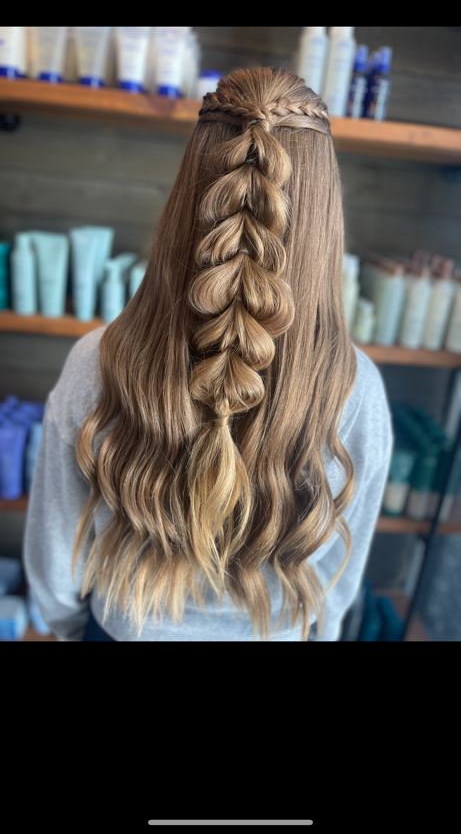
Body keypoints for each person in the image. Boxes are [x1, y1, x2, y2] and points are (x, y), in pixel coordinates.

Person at [24, 67, 393, 642]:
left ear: (188, 194)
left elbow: (57, 545)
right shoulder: (355, 387)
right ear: (322, 217)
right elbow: (336, 579)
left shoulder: (97, 361)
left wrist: (66, 626)